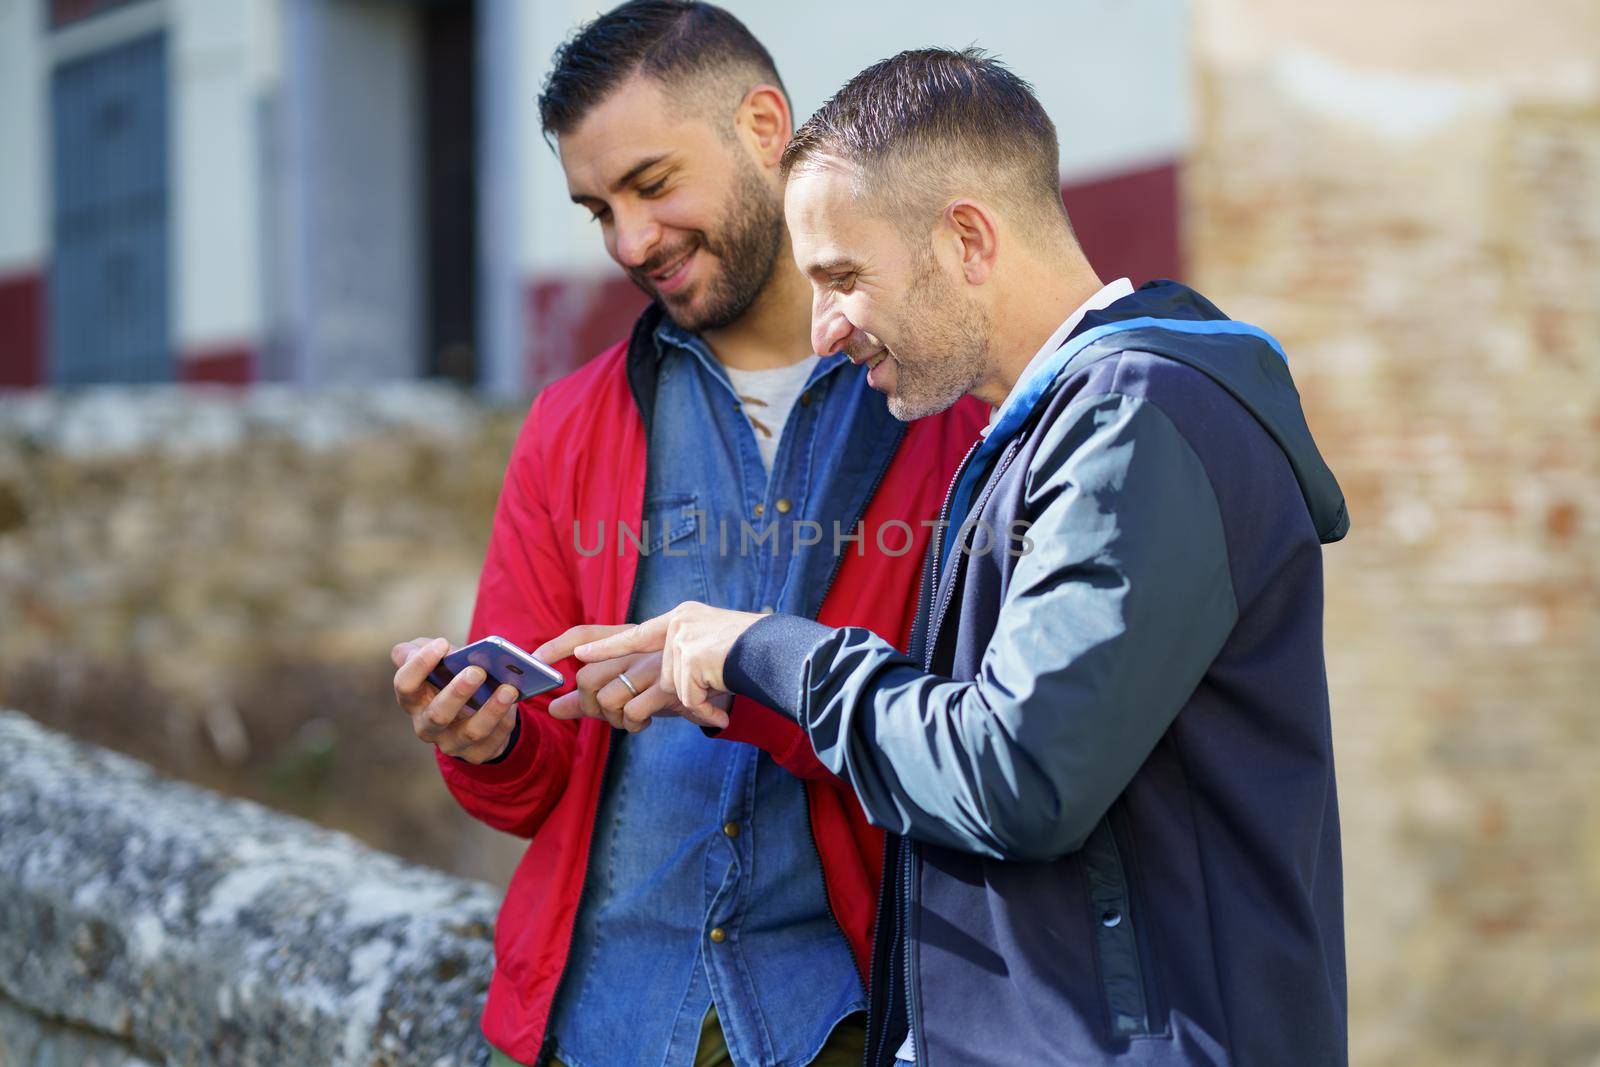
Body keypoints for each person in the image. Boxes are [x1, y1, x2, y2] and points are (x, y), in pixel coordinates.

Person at [567, 48, 1351, 1066]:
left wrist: (761, 650)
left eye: (844, 277)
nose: (826, 328)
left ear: (967, 238)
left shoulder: (1139, 419)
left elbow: (1014, 772)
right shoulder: (1050, 430)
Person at [388, 8, 984, 1067]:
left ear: (765, 126)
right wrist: (489, 737)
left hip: (848, 1013)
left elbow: (974, 741)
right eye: (597, 210)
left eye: (653, 185)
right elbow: (533, 779)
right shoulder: (567, 424)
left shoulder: (941, 409)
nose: (629, 242)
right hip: (595, 1022)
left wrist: (742, 675)